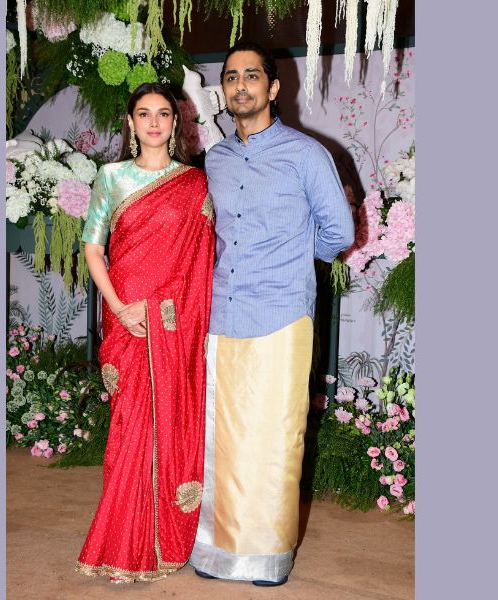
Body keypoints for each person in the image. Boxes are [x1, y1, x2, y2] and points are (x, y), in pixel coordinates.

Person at [188, 41, 355, 586]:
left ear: (273, 87)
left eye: (251, 76)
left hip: (281, 313)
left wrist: (293, 264)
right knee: (223, 436)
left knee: (276, 437)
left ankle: (266, 557)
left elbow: (339, 232)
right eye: (231, 77)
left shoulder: (306, 154)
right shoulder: (215, 159)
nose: (240, 85)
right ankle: (217, 551)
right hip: (222, 310)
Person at [75, 83, 215, 583]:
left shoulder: (194, 183)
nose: (153, 122)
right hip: (124, 321)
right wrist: (120, 308)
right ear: (131, 123)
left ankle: (156, 543)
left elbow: (199, 261)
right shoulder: (111, 177)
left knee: (163, 426)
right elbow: (93, 249)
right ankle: (122, 542)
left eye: (163, 114)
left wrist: (156, 310)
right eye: (143, 114)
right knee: (129, 428)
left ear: (176, 123)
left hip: (171, 322)